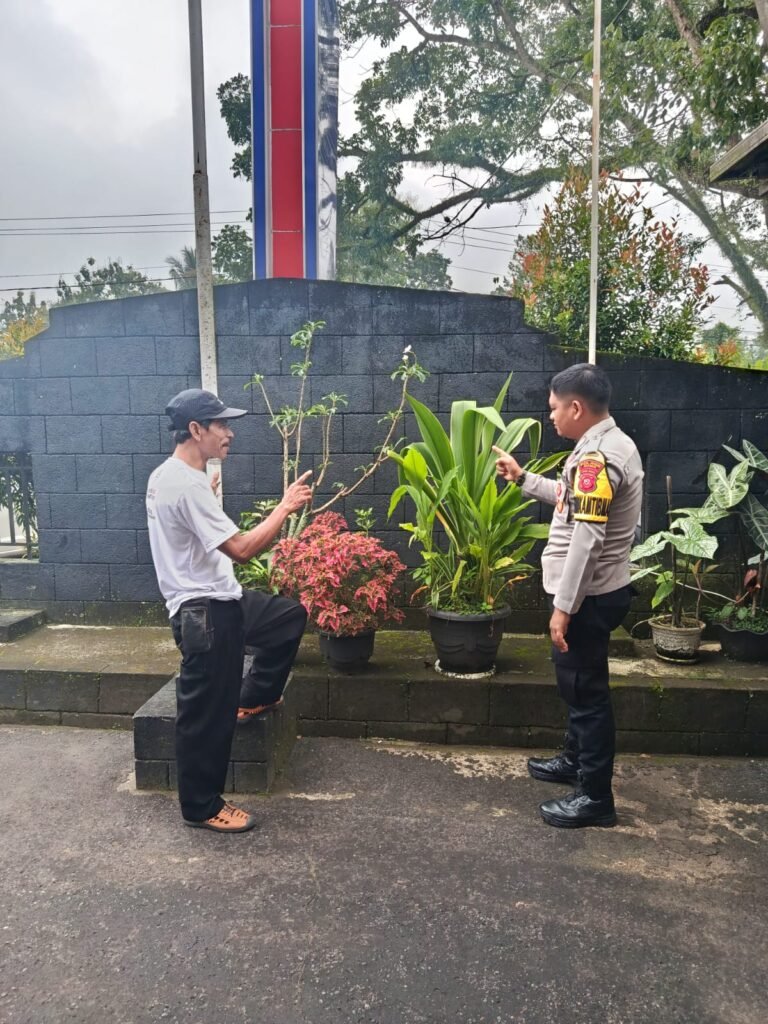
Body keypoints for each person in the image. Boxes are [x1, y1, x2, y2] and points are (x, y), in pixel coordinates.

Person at [146, 388, 312, 834]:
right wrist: (285, 507)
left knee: (287, 618)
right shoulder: (184, 484)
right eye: (221, 425)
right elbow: (241, 549)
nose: (229, 433)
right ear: (196, 430)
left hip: (225, 598)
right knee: (205, 716)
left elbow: (189, 527)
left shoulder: (174, 475)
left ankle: (253, 696)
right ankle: (201, 807)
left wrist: (209, 489)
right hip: (204, 614)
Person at [493, 363, 643, 829]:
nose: (552, 417)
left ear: (577, 407)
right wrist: (523, 479)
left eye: (555, 408)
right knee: (578, 685)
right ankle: (575, 760)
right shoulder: (604, 447)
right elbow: (571, 498)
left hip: (588, 597)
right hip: (595, 593)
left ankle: (595, 797)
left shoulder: (599, 457)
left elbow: (587, 538)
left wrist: (564, 608)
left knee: (587, 695)